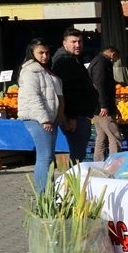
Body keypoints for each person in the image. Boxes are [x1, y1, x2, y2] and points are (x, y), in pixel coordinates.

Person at [17, 39, 62, 193]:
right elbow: (33, 97)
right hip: (39, 119)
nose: (44, 56)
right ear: (32, 53)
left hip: (50, 118)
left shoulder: (45, 70)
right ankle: (44, 194)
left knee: (48, 158)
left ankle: (48, 192)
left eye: (47, 53)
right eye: (40, 53)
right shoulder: (30, 71)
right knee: (45, 157)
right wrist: (45, 119)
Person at [50, 28, 97, 164]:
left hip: (80, 115)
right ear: (65, 43)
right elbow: (66, 92)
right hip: (75, 117)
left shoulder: (74, 59)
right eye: (73, 42)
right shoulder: (64, 61)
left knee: (78, 153)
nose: (77, 45)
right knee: (77, 155)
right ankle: (73, 183)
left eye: (80, 41)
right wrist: (70, 117)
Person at [89, 45, 122, 162]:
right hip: (102, 107)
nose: (115, 61)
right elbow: (100, 86)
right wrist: (104, 105)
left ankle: (99, 163)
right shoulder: (102, 64)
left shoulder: (97, 61)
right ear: (112, 54)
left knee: (101, 137)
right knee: (115, 136)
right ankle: (115, 164)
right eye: (116, 58)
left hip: (97, 107)